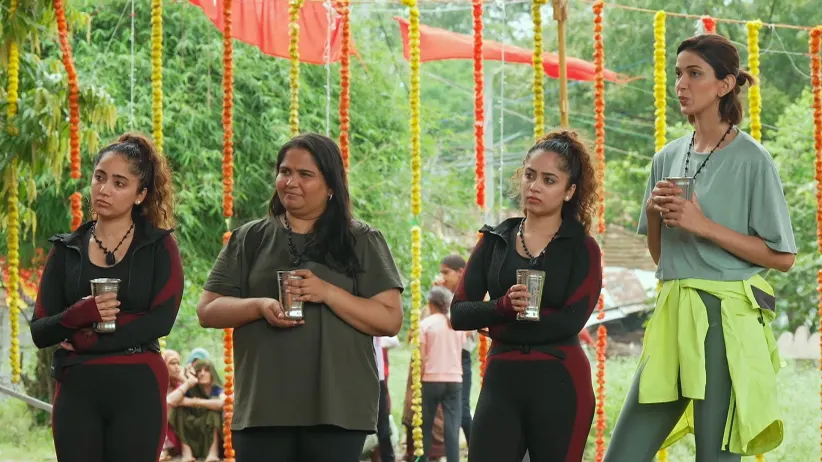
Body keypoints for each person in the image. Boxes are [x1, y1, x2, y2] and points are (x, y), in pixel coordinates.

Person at [603, 34, 796, 462]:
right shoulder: (666, 158)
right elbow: (662, 258)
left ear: (725, 84)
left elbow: (783, 258)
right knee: (622, 455)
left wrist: (704, 225)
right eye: (678, 74)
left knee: (716, 456)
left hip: (725, 321)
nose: (681, 85)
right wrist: (655, 213)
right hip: (673, 313)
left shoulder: (753, 160)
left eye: (694, 74)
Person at [196, 133, 404, 462]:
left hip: (337, 408)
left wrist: (328, 293)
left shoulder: (361, 239)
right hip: (263, 408)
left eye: (305, 175)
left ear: (331, 185)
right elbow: (207, 310)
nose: (291, 182)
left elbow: (390, 319)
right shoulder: (249, 238)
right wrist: (259, 306)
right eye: (285, 172)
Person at [29, 133, 184, 462]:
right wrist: (80, 313)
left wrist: (87, 340)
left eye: (119, 183)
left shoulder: (159, 248)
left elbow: (160, 321)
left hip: (139, 384)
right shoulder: (67, 250)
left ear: (140, 194)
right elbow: (40, 331)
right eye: (100, 177)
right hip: (77, 386)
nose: (104, 189)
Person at [450, 129, 603, 462]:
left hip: (561, 380)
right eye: (530, 175)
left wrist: (497, 324)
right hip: (502, 382)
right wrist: (502, 306)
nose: (534, 186)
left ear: (569, 191)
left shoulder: (582, 248)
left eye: (549, 180)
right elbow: (459, 314)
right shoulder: (495, 241)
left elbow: (570, 321)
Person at [420, 286, 464, 462]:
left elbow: (422, 358)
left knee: (426, 426)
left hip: (431, 380)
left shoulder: (425, 324)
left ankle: (422, 459)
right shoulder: (456, 324)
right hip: (454, 380)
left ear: (431, 305)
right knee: (452, 427)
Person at [436, 254, 474, 444]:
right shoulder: (444, 294)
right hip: (443, 357)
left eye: (446, 272)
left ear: (460, 272)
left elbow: (461, 331)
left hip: (461, 356)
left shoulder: (470, 293)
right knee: (448, 412)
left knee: (463, 411)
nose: (442, 277)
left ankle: (478, 450)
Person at [169, 359, 226, 462]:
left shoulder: (216, 388)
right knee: (179, 410)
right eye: (199, 371)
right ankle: (187, 453)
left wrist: (197, 402)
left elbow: (221, 403)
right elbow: (172, 401)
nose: (202, 374)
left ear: (212, 373)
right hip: (194, 428)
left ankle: (213, 453)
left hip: (209, 427)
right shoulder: (192, 388)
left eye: (206, 370)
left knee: (214, 413)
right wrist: (188, 380)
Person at [374, 335, 399, 462]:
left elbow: (393, 340)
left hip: (378, 378)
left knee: (382, 424)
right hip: (362, 377)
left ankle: (388, 458)